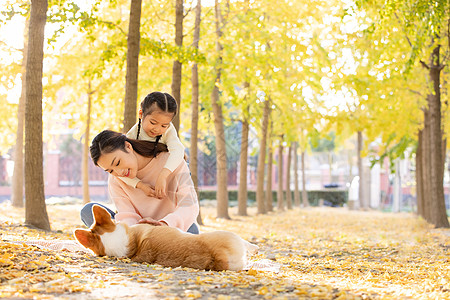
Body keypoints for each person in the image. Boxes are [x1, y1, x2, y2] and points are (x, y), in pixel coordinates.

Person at [80, 130, 199, 234]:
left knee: (191, 229)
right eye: (110, 170)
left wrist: (164, 224)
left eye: (117, 163)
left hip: (170, 228)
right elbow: (127, 215)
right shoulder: (115, 180)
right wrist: (141, 231)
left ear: (128, 147)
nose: (119, 172)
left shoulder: (171, 161)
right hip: (139, 233)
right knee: (88, 211)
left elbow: (189, 205)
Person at [120, 91, 185, 199]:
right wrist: (140, 185)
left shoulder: (168, 130)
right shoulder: (131, 136)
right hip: (144, 182)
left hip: (169, 174)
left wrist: (163, 175)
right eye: (153, 123)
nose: (158, 129)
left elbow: (178, 151)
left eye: (164, 125)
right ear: (141, 114)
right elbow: (119, 169)